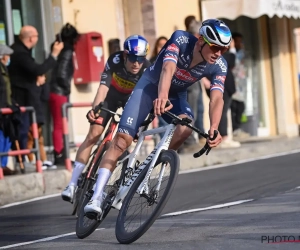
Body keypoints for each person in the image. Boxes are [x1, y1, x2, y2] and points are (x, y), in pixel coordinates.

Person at [84, 19, 232, 215]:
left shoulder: (219, 65)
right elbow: (167, 69)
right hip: (150, 87)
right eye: (215, 47)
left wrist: (214, 127)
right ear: (200, 40)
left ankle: (149, 166)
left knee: (186, 127)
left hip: (176, 95)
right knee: (122, 141)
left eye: (224, 49)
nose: (218, 53)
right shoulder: (181, 39)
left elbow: (217, 98)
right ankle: (95, 197)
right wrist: (161, 97)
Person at [61, 35, 151, 203]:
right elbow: (103, 87)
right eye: (132, 58)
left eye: (140, 59)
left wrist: (138, 125)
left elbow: (144, 100)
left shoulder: (147, 69)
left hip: (129, 101)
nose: (136, 63)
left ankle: (101, 180)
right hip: (110, 96)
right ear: (125, 55)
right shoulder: (115, 60)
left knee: (121, 141)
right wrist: (95, 109)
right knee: (94, 133)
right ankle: (72, 184)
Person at [8, 25, 63, 170]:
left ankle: (39, 160)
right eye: (37, 36)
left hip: (28, 99)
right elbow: (37, 69)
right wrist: (54, 54)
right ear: (31, 38)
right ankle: (28, 161)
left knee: (35, 132)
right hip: (22, 100)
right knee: (26, 132)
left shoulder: (21, 51)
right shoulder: (19, 53)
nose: (37, 39)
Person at [48, 23, 80, 166]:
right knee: (60, 125)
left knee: (60, 124)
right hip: (59, 91)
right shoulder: (67, 51)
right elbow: (61, 74)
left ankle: (61, 154)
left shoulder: (60, 49)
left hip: (56, 91)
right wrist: (66, 89)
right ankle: (59, 154)